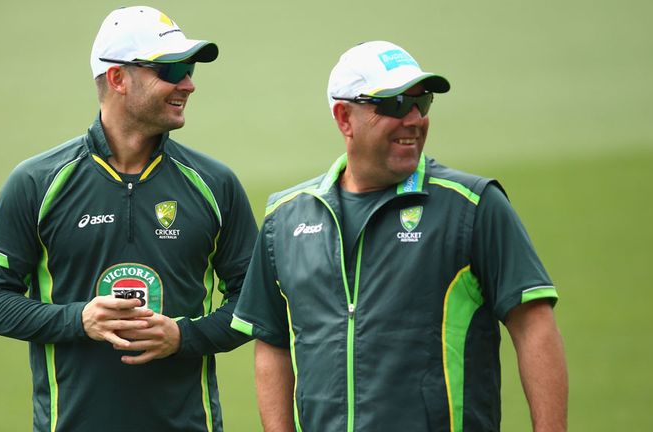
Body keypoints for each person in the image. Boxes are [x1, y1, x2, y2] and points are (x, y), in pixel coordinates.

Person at [231, 40, 568, 432]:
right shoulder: (286, 218)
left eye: (421, 103)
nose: (413, 118)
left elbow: (534, 326)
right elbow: (272, 343)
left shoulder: (472, 206)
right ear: (344, 118)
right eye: (393, 105)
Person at [0, 6, 257, 432]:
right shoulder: (36, 182)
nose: (188, 83)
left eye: (189, 67)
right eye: (172, 69)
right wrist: (78, 319)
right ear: (119, 78)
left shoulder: (215, 184)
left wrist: (184, 337)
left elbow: (256, 306)